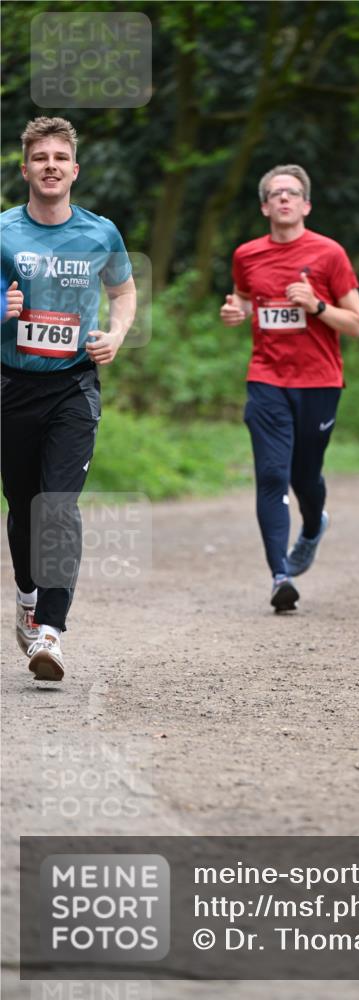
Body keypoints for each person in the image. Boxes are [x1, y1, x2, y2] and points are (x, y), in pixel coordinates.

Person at [1, 117, 136, 681]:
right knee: (23, 507)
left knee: (57, 506)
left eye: (60, 157)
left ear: (74, 170)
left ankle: (52, 632)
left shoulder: (101, 232)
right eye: (40, 157)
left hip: (74, 385)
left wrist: (117, 335)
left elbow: (123, 290)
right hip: (11, 384)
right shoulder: (4, 231)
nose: (50, 165)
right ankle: (28, 594)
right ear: (26, 168)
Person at [220, 164, 359, 611]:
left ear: (305, 205)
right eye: (276, 193)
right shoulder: (247, 255)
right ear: (265, 206)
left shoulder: (329, 254)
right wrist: (237, 310)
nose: (284, 198)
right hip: (266, 377)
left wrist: (317, 305)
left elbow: (356, 324)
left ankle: (313, 525)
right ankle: (280, 575)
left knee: (305, 476)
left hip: (320, 381)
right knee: (271, 474)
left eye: (293, 192)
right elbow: (245, 295)